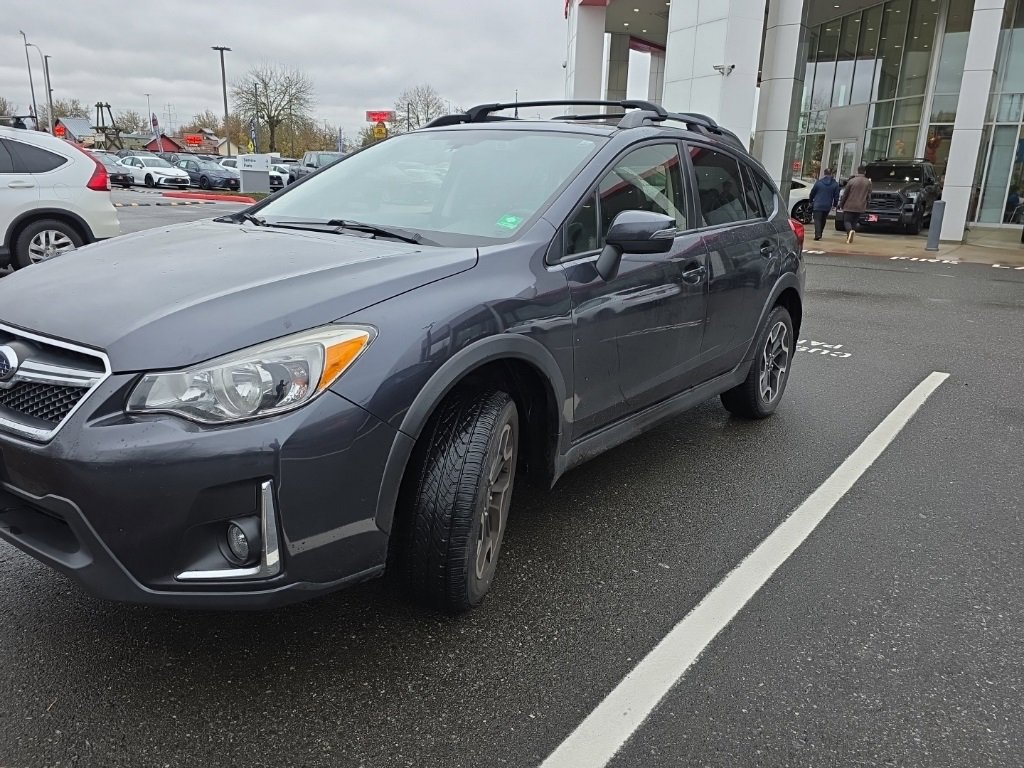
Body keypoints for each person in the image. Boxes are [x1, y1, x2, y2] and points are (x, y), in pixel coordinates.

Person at [839, 165, 872, 244]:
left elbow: (845, 194)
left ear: (857, 171)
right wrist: (867, 204)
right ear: (865, 172)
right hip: (860, 205)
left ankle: (849, 231)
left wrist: (841, 204)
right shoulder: (868, 182)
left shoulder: (852, 181)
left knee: (847, 221)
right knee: (854, 221)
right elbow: (869, 195)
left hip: (849, 205)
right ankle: (850, 236)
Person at [808, 168, 840, 241]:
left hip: (817, 204)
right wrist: (835, 204)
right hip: (827, 205)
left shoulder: (819, 183)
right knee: (823, 219)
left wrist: (810, 201)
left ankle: (817, 234)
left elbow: (812, 193)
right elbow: (836, 196)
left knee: (817, 220)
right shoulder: (835, 184)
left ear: (824, 174)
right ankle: (820, 232)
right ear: (832, 174)